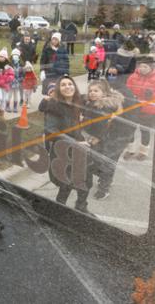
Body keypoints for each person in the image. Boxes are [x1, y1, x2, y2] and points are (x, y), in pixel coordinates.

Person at [38, 75, 91, 214]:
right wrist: (75, 142)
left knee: (85, 180)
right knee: (65, 183)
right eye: (63, 85)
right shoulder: (54, 106)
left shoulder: (79, 102)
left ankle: (81, 206)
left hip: (80, 148)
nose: (67, 86)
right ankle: (59, 209)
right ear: (58, 89)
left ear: (74, 86)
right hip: (63, 150)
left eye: (70, 83)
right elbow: (51, 130)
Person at [81, 79, 129, 200]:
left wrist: (97, 137)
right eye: (90, 90)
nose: (92, 93)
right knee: (97, 161)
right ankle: (106, 179)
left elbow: (104, 125)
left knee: (105, 164)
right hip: (100, 138)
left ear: (105, 93)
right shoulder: (91, 103)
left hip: (111, 139)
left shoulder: (104, 106)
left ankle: (104, 188)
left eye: (96, 90)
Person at [125, 55, 155, 160]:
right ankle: (130, 150)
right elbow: (127, 89)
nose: (142, 69)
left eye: (145, 67)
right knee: (130, 129)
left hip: (147, 109)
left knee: (144, 130)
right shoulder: (133, 77)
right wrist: (130, 96)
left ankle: (143, 152)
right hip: (133, 107)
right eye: (141, 66)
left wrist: (152, 94)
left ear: (151, 67)